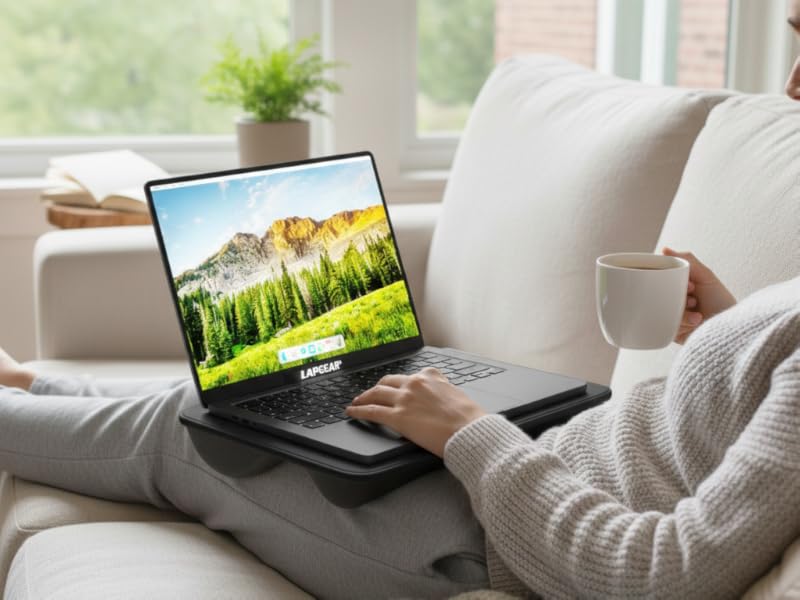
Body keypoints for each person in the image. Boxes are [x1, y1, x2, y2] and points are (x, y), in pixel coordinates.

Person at [1, 34, 800, 600]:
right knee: (260, 395)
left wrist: (466, 432)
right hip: (522, 468)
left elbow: (659, 576)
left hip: (479, 541)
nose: (792, 82)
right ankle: (39, 383)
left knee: (193, 424)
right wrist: (730, 336)